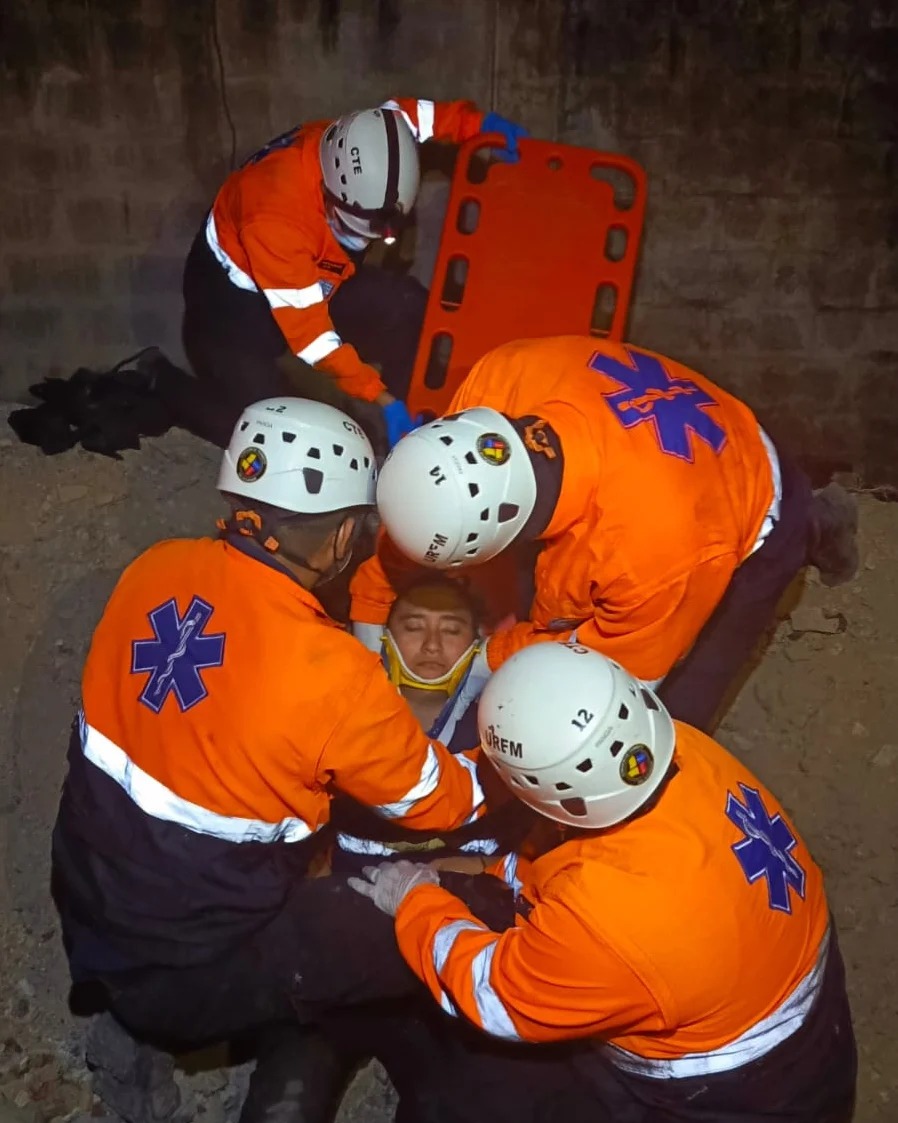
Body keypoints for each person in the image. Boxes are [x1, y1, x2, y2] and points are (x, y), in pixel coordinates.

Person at [50, 397, 487, 1122]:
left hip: (88, 904)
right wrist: (512, 761)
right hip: (188, 969)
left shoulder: (155, 567)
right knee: (418, 925)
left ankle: (125, 1020)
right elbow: (440, 801)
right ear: (343, 533)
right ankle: (212, 1050)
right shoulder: (330, 672)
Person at [350, 642, 857, 1123]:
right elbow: (570, 851)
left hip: (734, 1090)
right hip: (793, 991)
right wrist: (494, 873)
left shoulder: (611, 918)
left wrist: (415, 901)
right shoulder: (685, 748)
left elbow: (492, 995)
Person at [351, 334, 859, 731]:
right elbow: (434, 501)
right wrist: (371, 608)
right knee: (544, 608)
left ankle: (812, 523)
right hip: (660, 434)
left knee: (665, 720)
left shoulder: (656, 550)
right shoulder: (499, 379)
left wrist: (492, 659)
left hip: (745, 493)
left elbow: (613, 680)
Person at [158, 97, 528, 452]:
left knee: (407, 308)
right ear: (329, 195)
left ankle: (407, 439)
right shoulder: (275, 223)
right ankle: (161, 386)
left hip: (313, 271)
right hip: (231, 307)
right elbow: (313, 340)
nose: (377, 241)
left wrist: (476, 124)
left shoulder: (370, 138)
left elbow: (415, 116)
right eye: (363, 228)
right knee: (271, 432)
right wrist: (380, 397)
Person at [330, 577, 510, 874]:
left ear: (477, 643)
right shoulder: (339, 717)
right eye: (414, 627)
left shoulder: (504, 727)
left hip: (474, 885)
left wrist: (481, 866)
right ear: (384, 637)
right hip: (351, 882)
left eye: (451, 630)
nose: (432, 646)